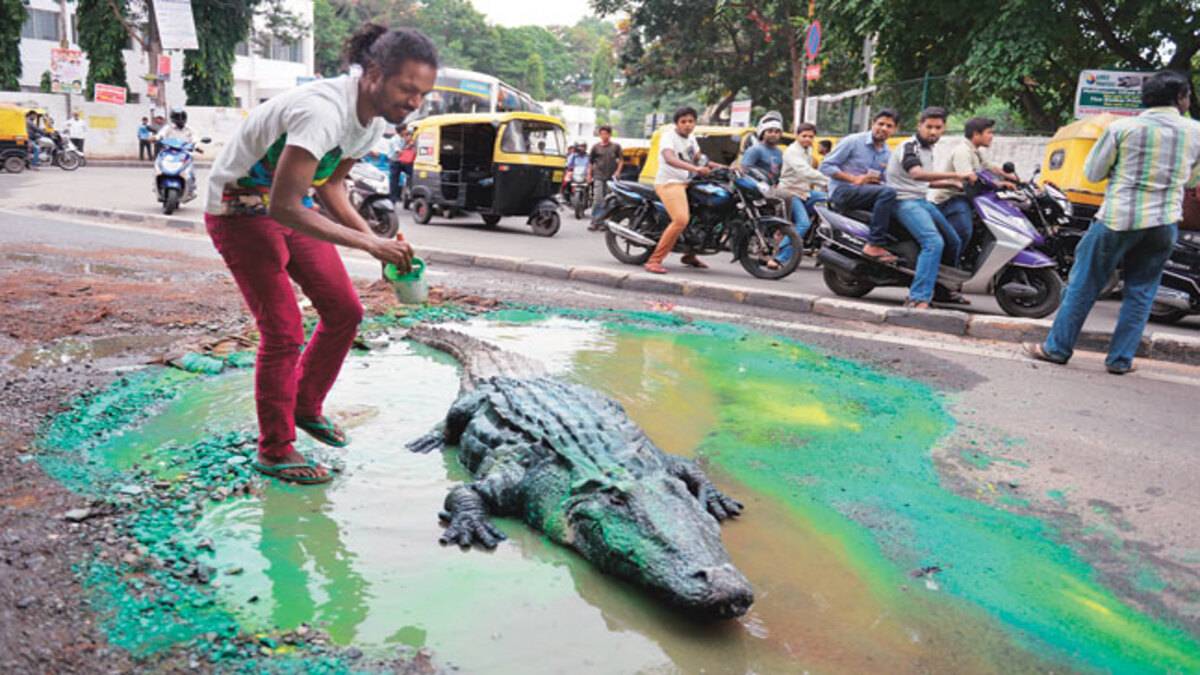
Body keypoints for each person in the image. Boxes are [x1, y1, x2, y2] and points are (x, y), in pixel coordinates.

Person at [203, 23, 437, 484]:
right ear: (374, 73)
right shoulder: (322, 110)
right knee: (284, 329)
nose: (414, 102)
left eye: (422, 94)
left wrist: (379, 242)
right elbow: (284, 206)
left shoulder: (371, 124)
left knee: (345, 310)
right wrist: (371, 242)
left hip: (289, 205)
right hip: (239, 207)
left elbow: (329, 185)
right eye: (407, 89)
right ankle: (275, 449)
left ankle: (306, 405)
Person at [1026, 70, 1200, 375]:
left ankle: (1056, 349)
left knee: (1083, 283)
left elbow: (1093, 173)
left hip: (1118, 217)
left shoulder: (1123, 128)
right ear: (1179, 98)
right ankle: (1120, 360)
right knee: (1142, 291)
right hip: (1164, 223)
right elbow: (1192, 178)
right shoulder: (1195, 131)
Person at [884, 106, 976, 309]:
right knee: (933, 242)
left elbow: (924, 182)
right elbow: (917, 174)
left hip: (921, 200)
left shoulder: (929, 149)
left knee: (953, 241)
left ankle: (943, 291)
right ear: (920, 125)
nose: (933, 132)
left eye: (938, 127)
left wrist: (953, 185)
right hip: (902, 201)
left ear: (944, 128)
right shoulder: (910, 146)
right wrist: (955, 176)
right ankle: (918, 297)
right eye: (929, 127)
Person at [928, 116, 1019, 265]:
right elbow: (971, 179)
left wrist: (1010, 177)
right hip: (950, 200)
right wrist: (998, 184)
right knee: (964, 232)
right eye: (989, 132)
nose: (991, 136)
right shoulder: (962, 151)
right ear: (976, 134)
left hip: (967, 198)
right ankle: (950, 266)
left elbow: (989, 166)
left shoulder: (975, 151)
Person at [645, 106, 721, 274]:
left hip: (687, 182)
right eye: (683, 122)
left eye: (691, 121)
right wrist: (695, 169)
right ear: (677, 123)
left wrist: (726, 167)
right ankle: (654, 260)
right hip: (670, 183)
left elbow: (700, 159)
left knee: (701, 215)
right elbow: (669, 158)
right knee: (681, 220)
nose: (687, 125)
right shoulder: (668, 137)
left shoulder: (692, 138)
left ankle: (689, 254)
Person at [820, 109, 900, 263]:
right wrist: (853, 178)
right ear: (872, 124)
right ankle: (874, 244)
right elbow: (826, 166)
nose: (883, 128)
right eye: (880, 124)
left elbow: (885, 180)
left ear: (894, 130)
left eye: (889, 126)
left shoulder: (887, 154)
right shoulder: (853, 141)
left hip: (863, 195)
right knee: (888, 193)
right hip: (842, 191)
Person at [770, 122, 830, 266]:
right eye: (804, 136)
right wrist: (828, 181)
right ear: (797, 136)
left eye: (811, 136)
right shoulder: (792, 151)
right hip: (790, 192)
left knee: (832, 200)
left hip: (804, 191)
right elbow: (805, 172)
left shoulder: (807, 150)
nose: (807, 139)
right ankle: (779, 256)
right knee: (803, 223)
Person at [587, 125, 623, 230]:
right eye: (602, 134)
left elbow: (621, 160)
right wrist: (589, 175)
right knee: (597, 199)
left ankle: (604, 222)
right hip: (598, 176)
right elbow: (590, 162)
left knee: (609, 200)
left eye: (606, 134)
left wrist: (618, 172)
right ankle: (595, 221)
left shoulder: (616, 147)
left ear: (610, 134)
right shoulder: (595, 147)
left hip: (611, 177)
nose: (604, 136)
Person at [388, 126, 414, 203]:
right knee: (394, 180)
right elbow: (398, 152)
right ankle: (393, 198)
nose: (406, 131)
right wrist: (409, 146)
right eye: (405, 130)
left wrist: (409, 143)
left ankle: (408, 193)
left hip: (404, 161)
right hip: (395, 161)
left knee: (413, 174)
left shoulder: (404, 138)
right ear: (401, 131)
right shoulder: (394, 140)